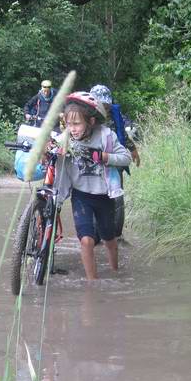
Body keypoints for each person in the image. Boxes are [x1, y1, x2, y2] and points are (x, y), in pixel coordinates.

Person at [54, 92, 132, 280]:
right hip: (81, 196)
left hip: (104, 196)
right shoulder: (66, 139)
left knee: (109, 239)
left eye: (77, 124)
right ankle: (93, 284)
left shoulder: (106, 136)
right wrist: (50, 152)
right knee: (87, 241)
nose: (72, 129)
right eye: (69, 124)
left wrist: (105, 157)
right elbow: (51, 158)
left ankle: (115, 271)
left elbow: (126, 157)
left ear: (90, 121)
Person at [89, 84, 140, 166]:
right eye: (102, 106)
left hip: (114, 159)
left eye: (107, 106)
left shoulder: (114, 115)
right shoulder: (87, 119)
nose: (105, 109)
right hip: (95, 163)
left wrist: (132, 149)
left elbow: (122, 133)